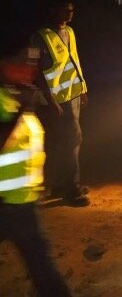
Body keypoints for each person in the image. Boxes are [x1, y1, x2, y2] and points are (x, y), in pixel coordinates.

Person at [0, 33, 73, 296]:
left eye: (33, 63)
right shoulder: (8, 99)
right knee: (40, 260)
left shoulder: (16, 94)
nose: (30, 69)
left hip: (20, 200)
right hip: (8, 202)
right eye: (22, 61)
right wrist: (21, 109)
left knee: (39, 258)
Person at [30, 0, 89, 207]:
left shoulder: (69, 32)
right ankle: (71, 189)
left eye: (71, 9)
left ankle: (60, 185)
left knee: (64, 141)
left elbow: (74, 61)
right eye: (65, 9)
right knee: (71, 140)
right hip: (55, 100)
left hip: (70, 95)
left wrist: (82, 88)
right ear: (52, 11)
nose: (69, 13)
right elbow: (36, 71)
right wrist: (50, 99)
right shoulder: (40, 37)